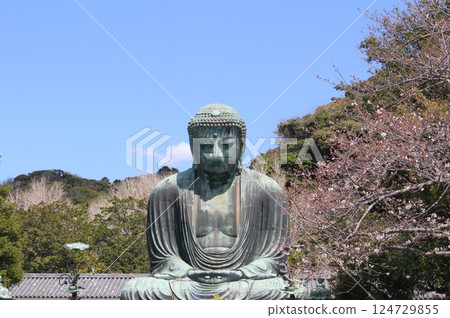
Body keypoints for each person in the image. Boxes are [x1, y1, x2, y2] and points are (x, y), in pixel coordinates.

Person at [121, 104, 290, 299]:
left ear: (241, 146)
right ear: (192, 147)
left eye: (226, 146)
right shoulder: (168, 190)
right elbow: (162, 259)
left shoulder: (266, 189)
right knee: (135, 289)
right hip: (188, 283)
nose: (216, 155)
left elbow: (274, 258)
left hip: (244, 283)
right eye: (206, 146)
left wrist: (242, 273)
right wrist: (188, 272)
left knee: (281, 289)